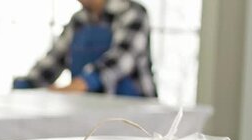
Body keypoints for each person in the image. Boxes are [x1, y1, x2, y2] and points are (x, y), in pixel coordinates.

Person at [15, 0, 157, 97]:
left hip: (137, 112)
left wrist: (79, 85)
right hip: (89, 109)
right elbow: (54, 60)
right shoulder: (78, 20)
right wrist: (27, 85)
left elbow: (119, 61)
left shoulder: (132, 13)